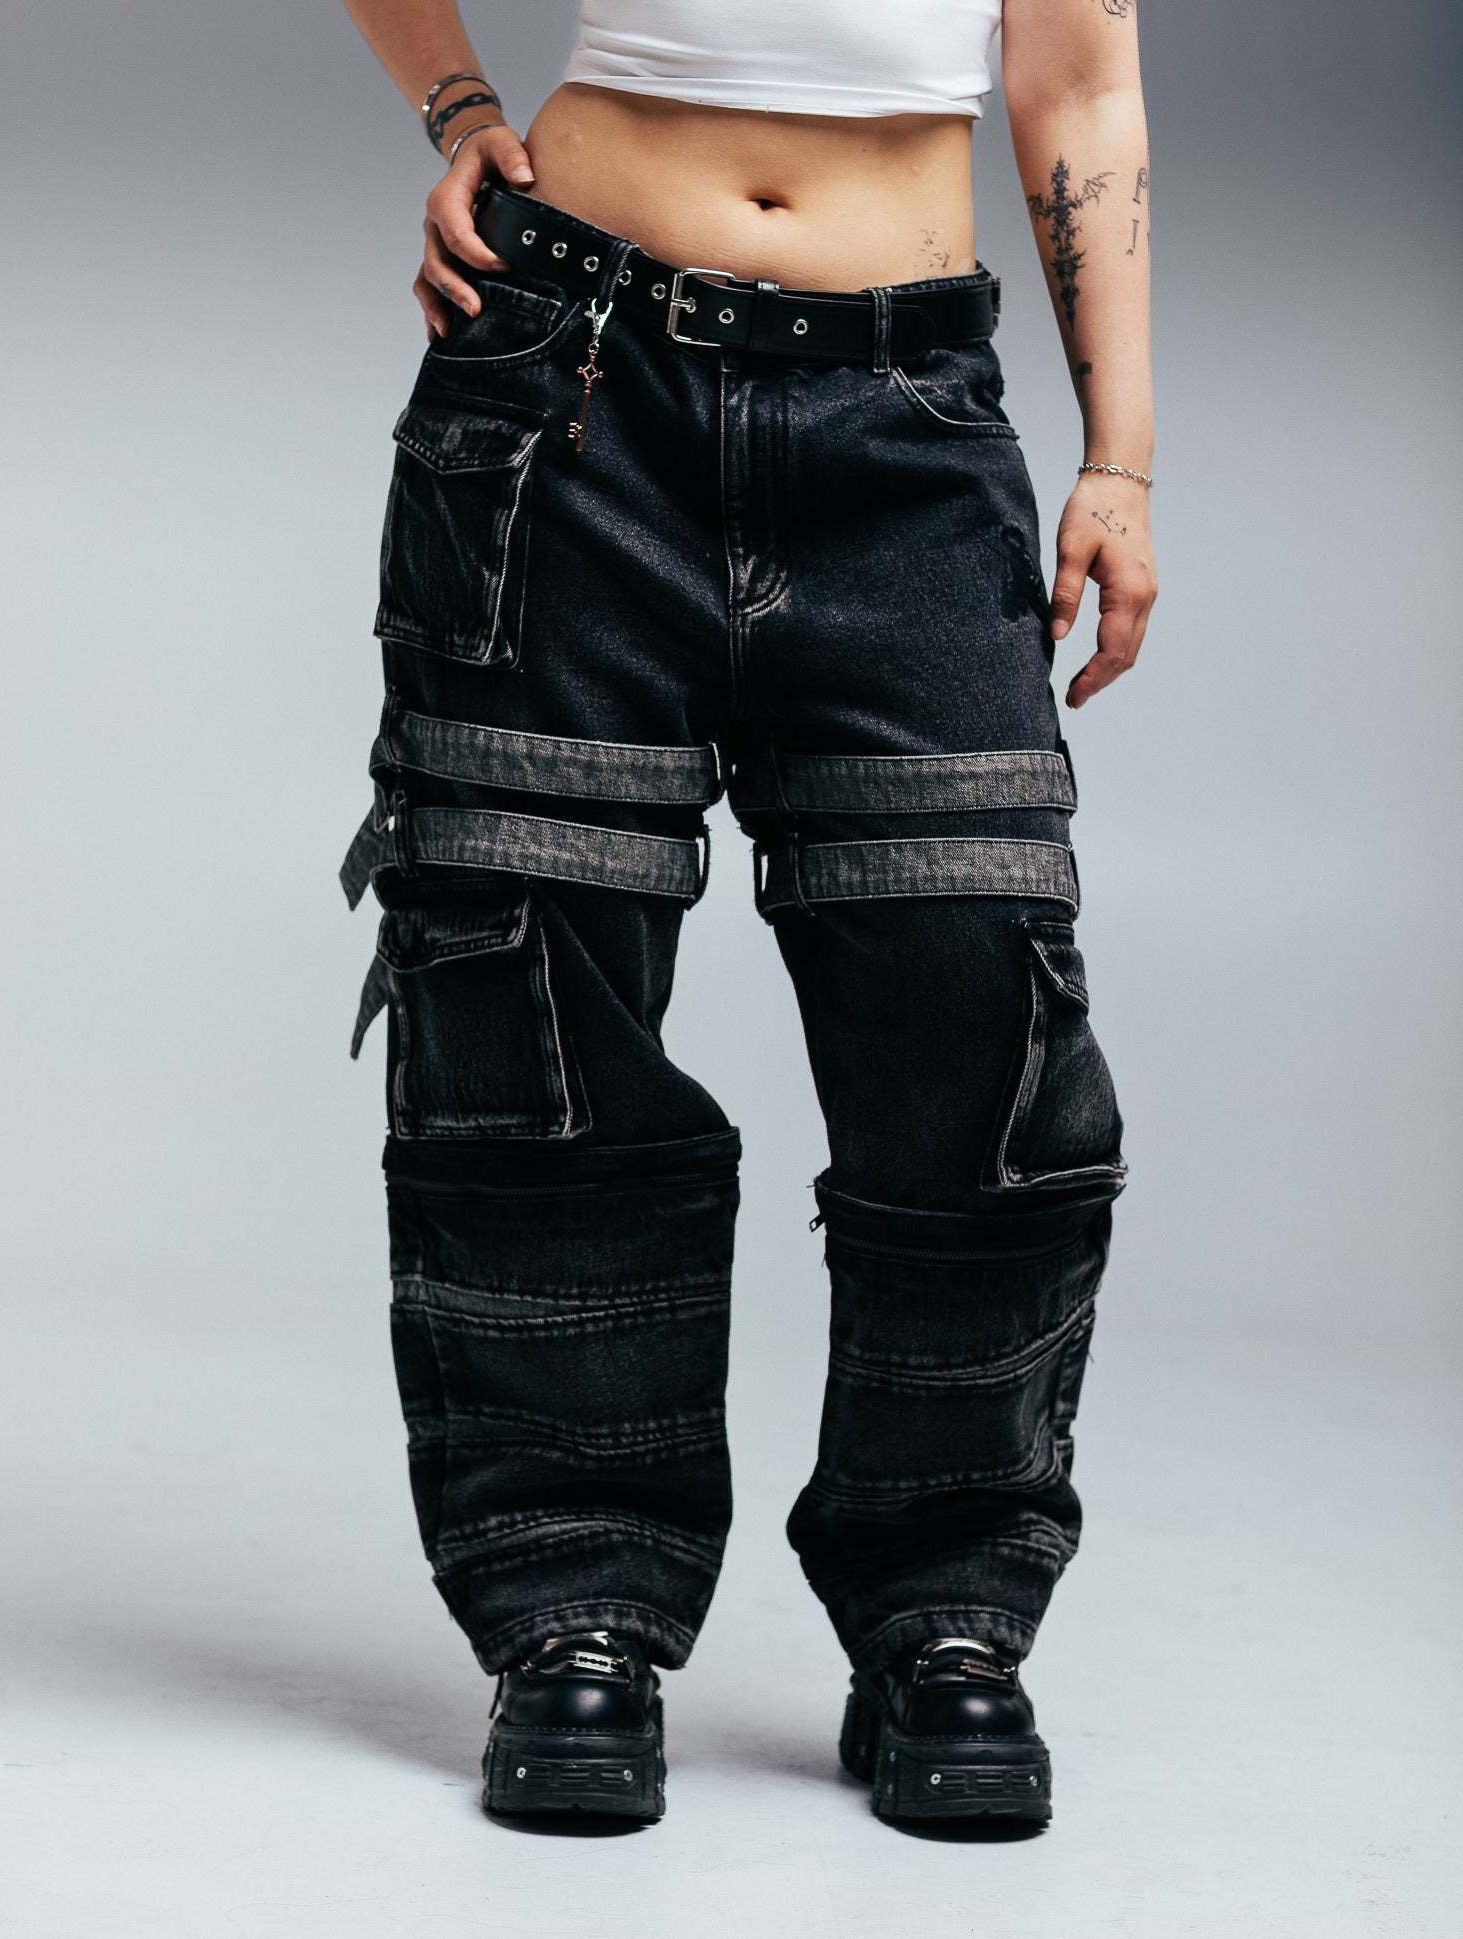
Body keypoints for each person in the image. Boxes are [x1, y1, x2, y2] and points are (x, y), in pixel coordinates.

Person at [339, 0, 1155, 1825]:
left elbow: (1082, 78)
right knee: (534, 1002)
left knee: (977, 1012)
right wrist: (459, 109)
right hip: (569, 377)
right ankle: (573, 1611)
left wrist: (1122, 456)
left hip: (906, 411)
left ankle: (946, 1616)